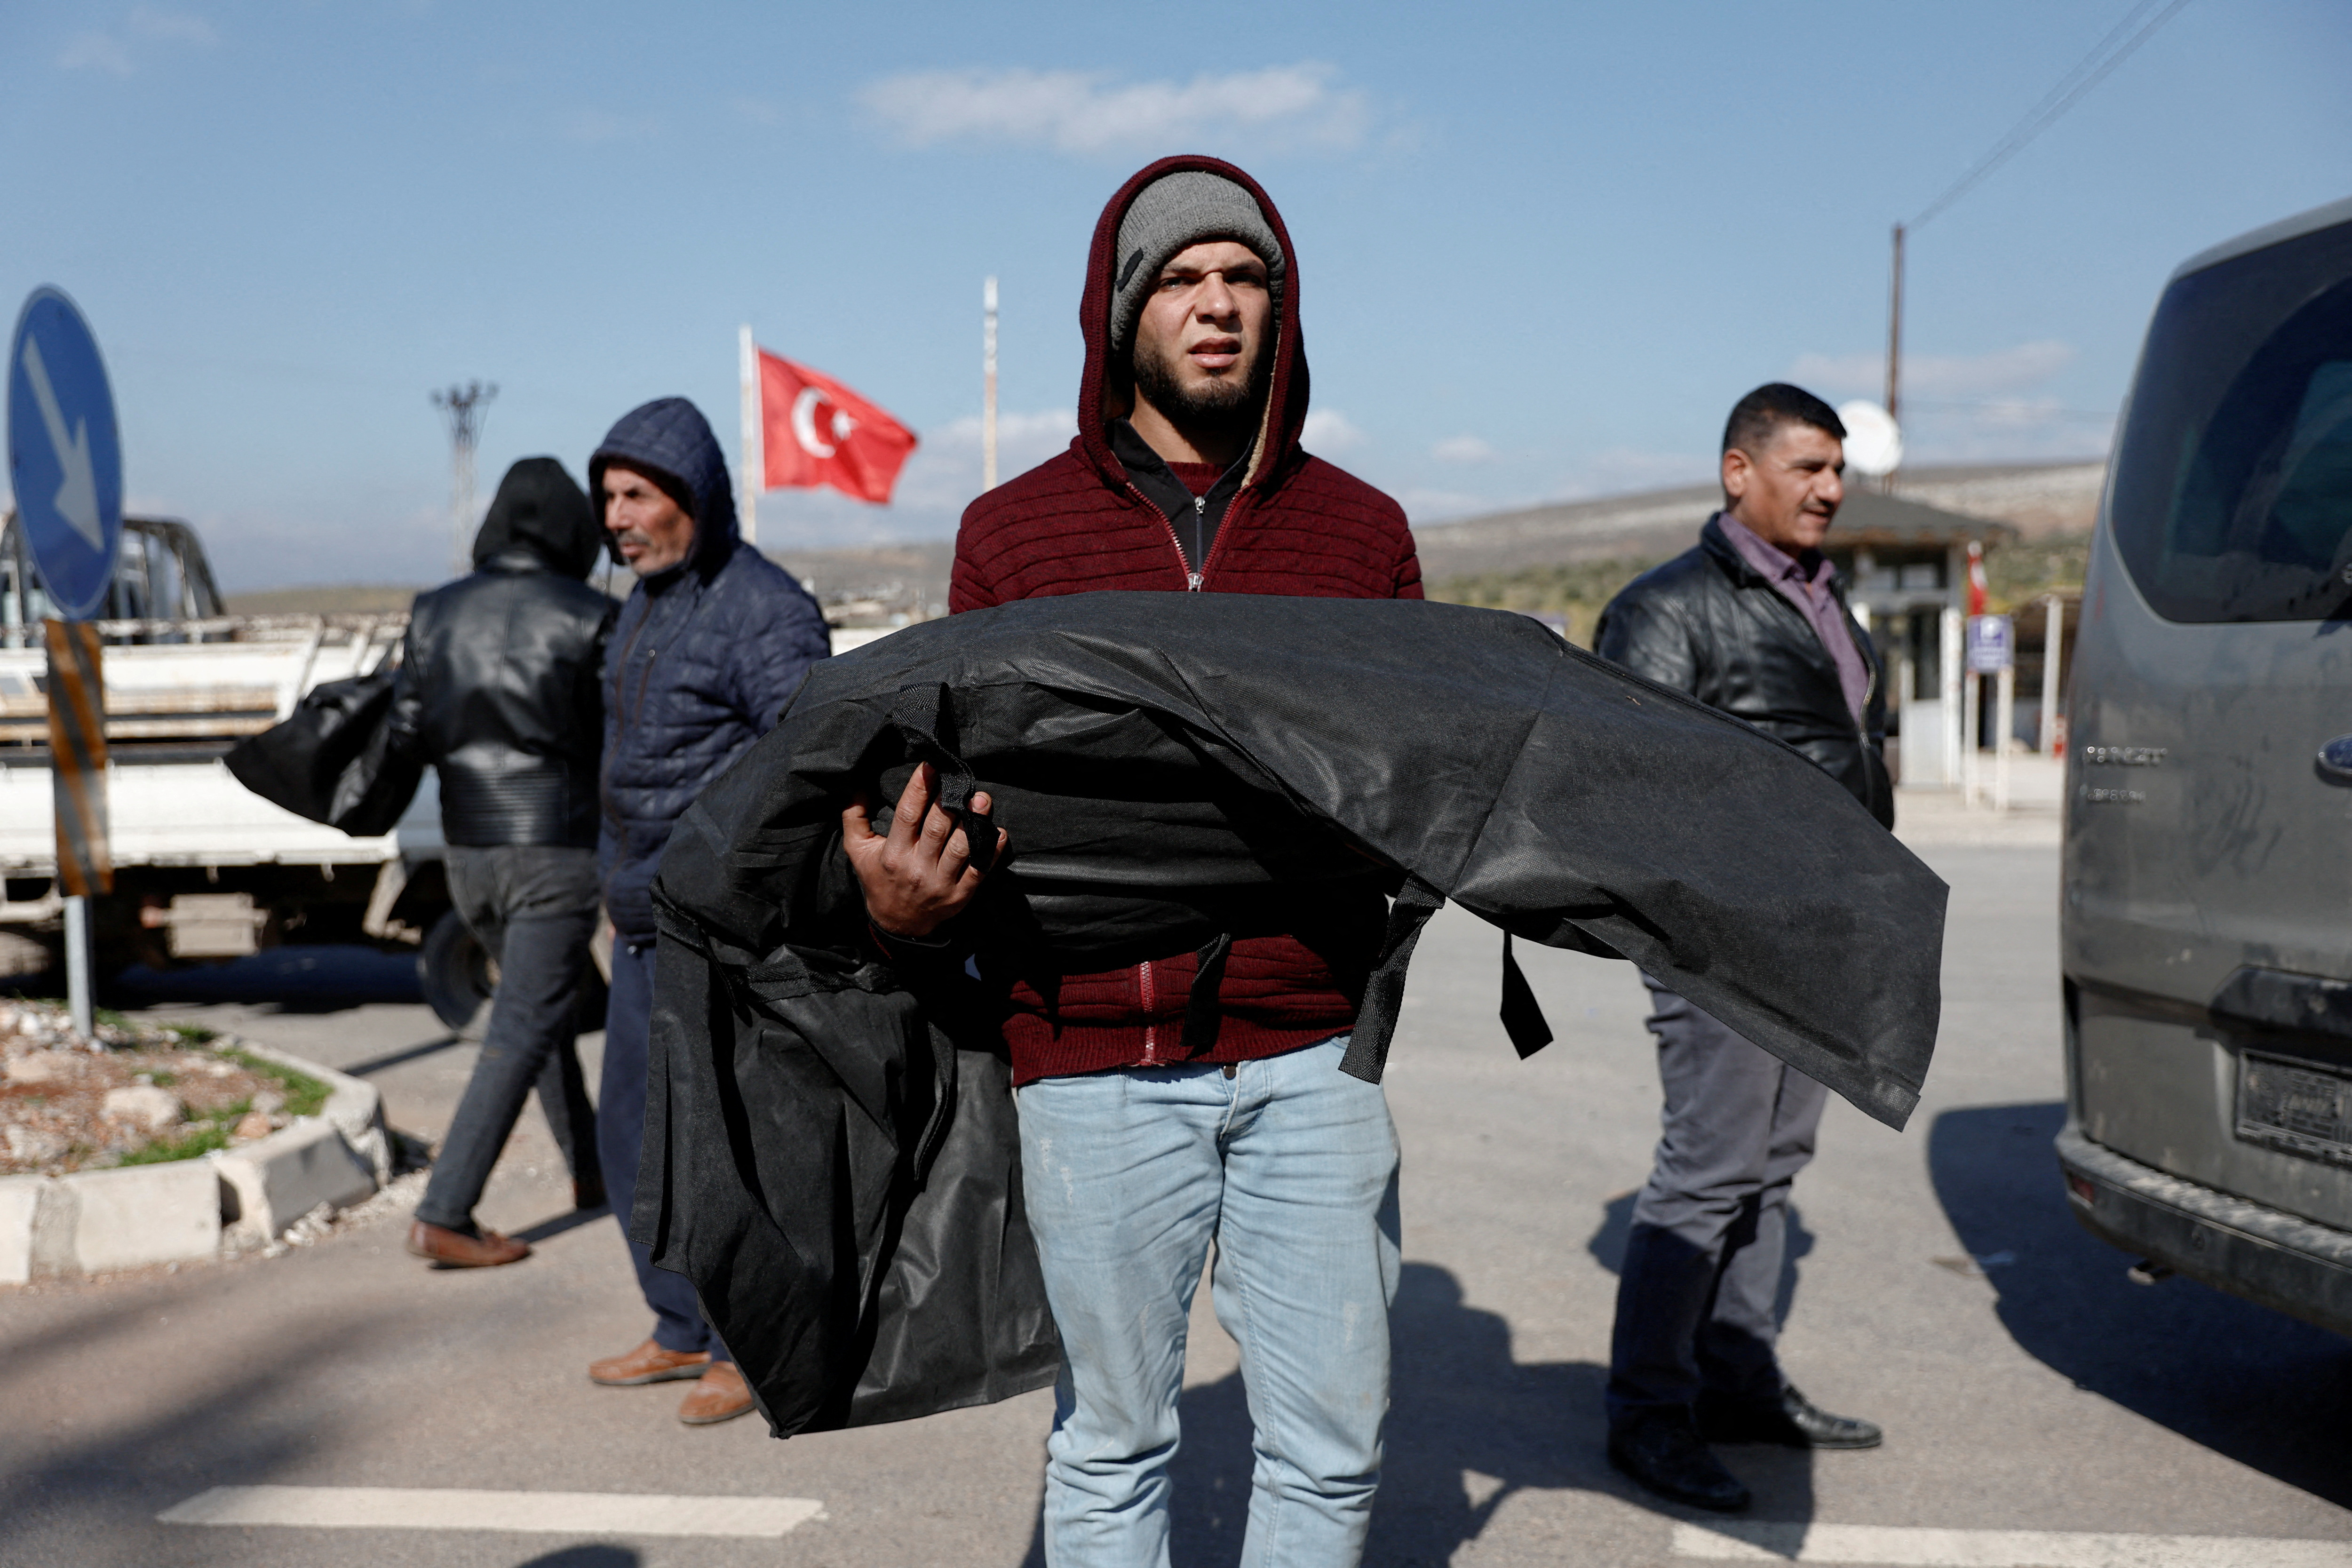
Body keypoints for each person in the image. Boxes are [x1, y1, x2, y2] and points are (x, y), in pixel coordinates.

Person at [852, 156, 1422, 1568]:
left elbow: (1418, 778)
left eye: (1244, 277)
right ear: (1123, 313)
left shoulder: (1362, 535)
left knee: (1331, 1449)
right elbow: (960, 789)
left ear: (1281, 307)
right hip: (1092, 1055)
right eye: (1179, 277)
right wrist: (906, 907)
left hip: (1314, 1054)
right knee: (1110, 1443)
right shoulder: (1012, 535)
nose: (1216, 304)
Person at [1590, 382, 1890, 1512]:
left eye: (1837, 468)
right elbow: (1632, 793)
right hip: (1722, 942)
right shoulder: (1664, 608)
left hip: (1826, 929)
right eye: (1809, 466)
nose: (1831, 488)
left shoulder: (1822, 595)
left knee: (1773, 1164)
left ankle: (1737, 1378)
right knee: (1709, 1169)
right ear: (1738, 471)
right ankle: (1647, 1412)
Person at [585, 398, 830, 1425]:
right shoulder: (643, 604)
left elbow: (813, 761)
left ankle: (747, 1343)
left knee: (727, 1151)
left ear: (693, 496)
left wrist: (750, 900)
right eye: (608, 497)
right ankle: (681, 1323)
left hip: (723, 930)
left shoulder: (764, 608)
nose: (617, 517)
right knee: (632, 1135)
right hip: (644, 924)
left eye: (637, 495)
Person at [392, 457, 611, 1269]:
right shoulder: (593, 617)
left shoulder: (434, 612)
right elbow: (617, 739)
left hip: (468, 851)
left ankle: (591, 1168)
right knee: (523, 1024)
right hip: (555, 849)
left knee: (536, 1009)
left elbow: (409, 732)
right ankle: (445, 1211)